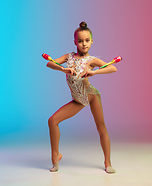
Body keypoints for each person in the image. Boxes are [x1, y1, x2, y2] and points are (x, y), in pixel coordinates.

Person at [46, 21, 117, 174]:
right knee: (52, 121)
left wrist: (94, 72)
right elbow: (49, 64)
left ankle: (108, 162)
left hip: (91, 96)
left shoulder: (92, 61)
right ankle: (56, 157)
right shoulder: (69, 57)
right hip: (78, 100)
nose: (84, 44)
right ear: (75, 42)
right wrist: (64, 69)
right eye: (80, 41)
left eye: (87, 40)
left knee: (101, 128)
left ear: (92, 41)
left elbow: (113, 67)